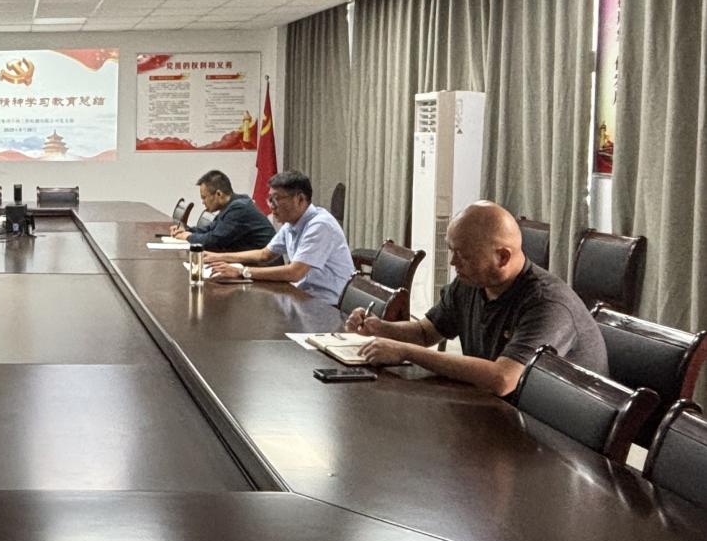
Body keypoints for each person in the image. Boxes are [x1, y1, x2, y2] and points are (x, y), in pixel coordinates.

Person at [345, 201, 608, 399]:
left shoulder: (547, 304)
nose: (453, 263)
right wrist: (381, 328)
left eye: (463, 255)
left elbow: (503, 379)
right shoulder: (471, 283)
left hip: (557, 435)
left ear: (502, 257)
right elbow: (425, 332)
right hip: (497, 409)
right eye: (451, 251)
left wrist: (405, 352)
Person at [205, 170, 354, 302]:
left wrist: (241, 271)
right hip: (302, 295)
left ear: (300, 199)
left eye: (276, 199)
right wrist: (216, 257)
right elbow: (264, 255)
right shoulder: (291, 223)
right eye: (270, 199)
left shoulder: (320, 225)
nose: (271, 206)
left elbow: (294, 272)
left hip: (327, 305)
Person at [169, 170, 274, 253]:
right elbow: (210, 229)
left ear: (219, 194)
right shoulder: (231, 204)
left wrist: (188, 236)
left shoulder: (239, 208)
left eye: (204, 197)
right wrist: (187, 230)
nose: (203, 202)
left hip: (263, 267)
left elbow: (215, 241)